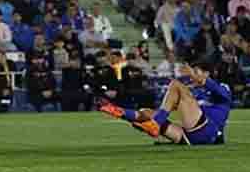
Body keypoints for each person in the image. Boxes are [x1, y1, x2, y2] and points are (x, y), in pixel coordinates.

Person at [99, 62, 232, 145]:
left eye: (196, 72)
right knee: (147, 112)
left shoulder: (223, 87)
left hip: (209, 131)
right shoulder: (195, 92)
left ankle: (155, 125)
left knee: (175, 84)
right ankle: (118, 111)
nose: (192, 76)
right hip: (188, 136)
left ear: (207, 74)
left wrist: (191, 77)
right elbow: (173, 106)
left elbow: (219, 91)